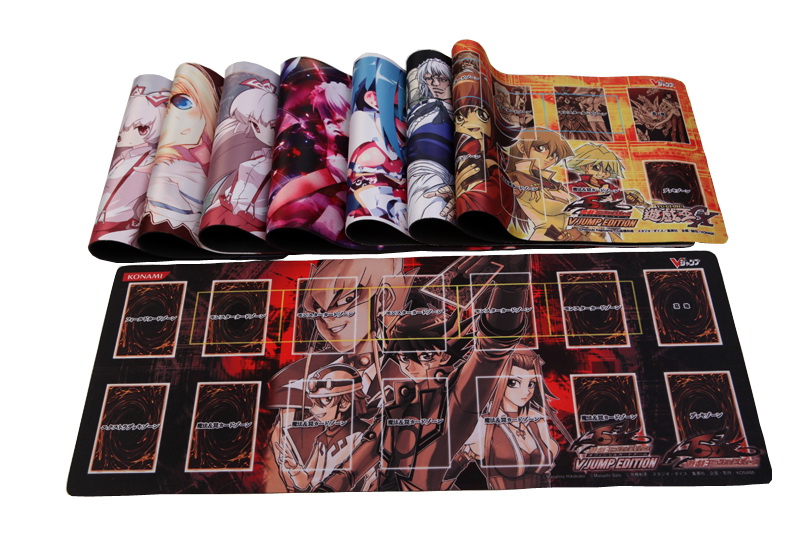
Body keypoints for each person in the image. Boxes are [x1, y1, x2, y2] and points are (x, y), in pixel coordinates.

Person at [445, 350, 559, 489]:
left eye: (531, 384)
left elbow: (545, 476)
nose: (526, 392)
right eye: (513, 382)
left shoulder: (536, 421)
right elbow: (439, 477)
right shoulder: (482, 425)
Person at [274, 363, 370, 492]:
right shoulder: (321, 439)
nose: (314, 410)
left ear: (344, 403)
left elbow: (372, 479)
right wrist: (293, 467)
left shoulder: (362, 434)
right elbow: (304, 482)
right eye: (314, 403)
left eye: (324, 401)